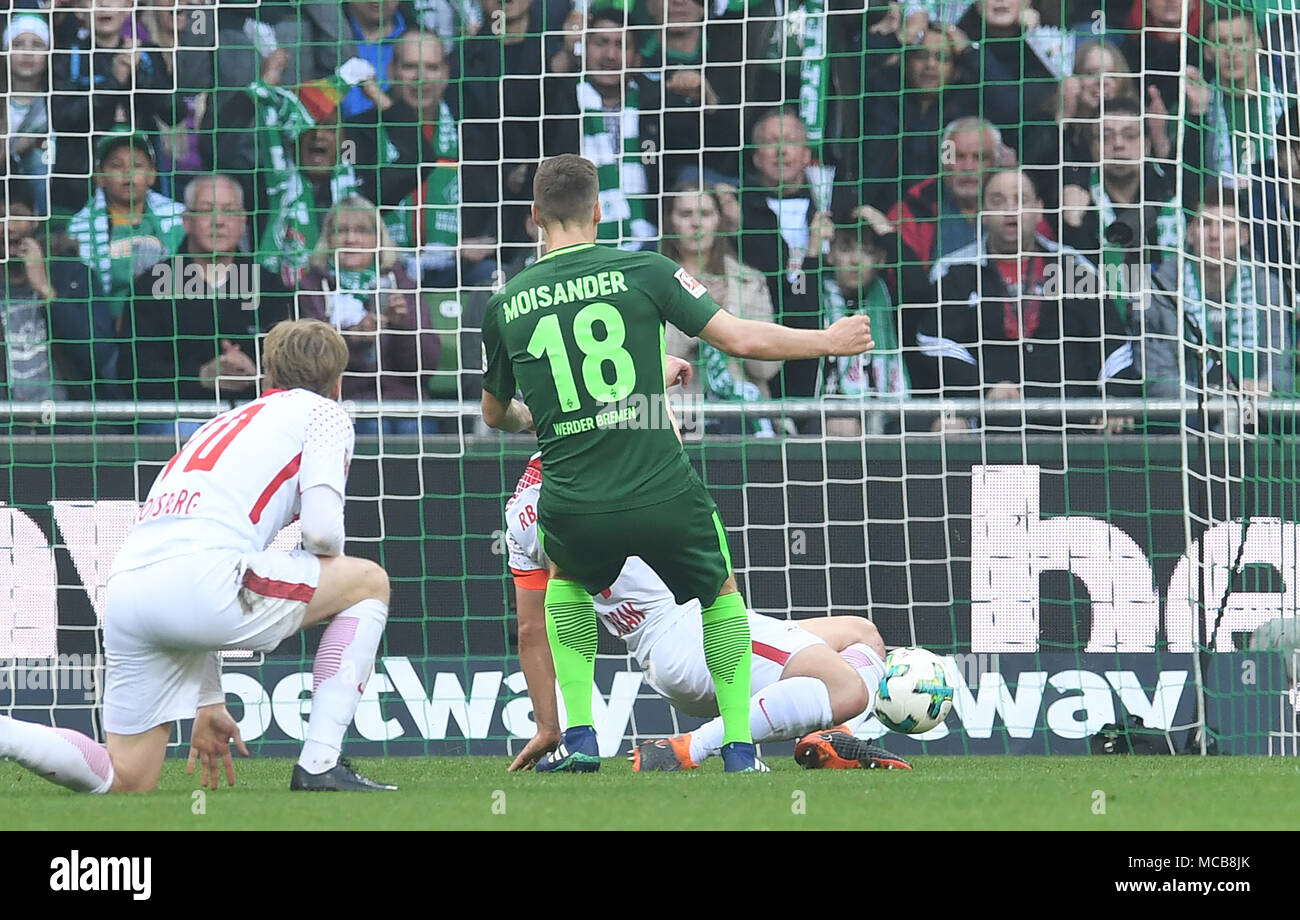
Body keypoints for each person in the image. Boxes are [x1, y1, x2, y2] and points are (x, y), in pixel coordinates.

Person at [479, 154, 874, 773]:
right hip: (663, 490)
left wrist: (538, 418)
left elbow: (494, 413)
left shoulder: (506, 305)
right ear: (599, 211)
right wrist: (828, 340)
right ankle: (739, 750)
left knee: (567, 587)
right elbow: (741, 340)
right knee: (720, 597)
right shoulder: (645, 269)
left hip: (576, 501)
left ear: (533, 217)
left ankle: (581, 741)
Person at [0, 319, 397, 793]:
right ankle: (319, 765)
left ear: (267, 377)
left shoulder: (220, 424)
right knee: (369, 582)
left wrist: (208, 699)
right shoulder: (325, 413)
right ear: (338, 383)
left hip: (128, 587)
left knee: (126, 777)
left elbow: (191, 567)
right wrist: (325, 574)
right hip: (203, 580)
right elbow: (322, 532)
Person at [502, 452, 910, 773]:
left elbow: (531, 631)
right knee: (849, 689)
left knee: (862, 635)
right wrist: (656, 381)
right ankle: (691, 747)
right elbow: (666, 449)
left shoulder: (520, 511)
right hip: (692, 631)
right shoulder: (613, 462)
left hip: (663, 652)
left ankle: (830, 737)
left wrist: (548, 727)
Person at [915, 167, 1141, 429]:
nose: (1010, 209)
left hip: (1072, 420)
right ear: (983, 213)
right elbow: (934, 341)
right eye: (998, 201)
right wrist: (985, 389)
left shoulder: (1072, 267)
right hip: (989, 416)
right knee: (947, 427)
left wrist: (1114, 396)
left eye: (1021, 200)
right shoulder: (955, 270)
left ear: (1038, 209)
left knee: (1116, 419)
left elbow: (1113, 342)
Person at [117, 174, 293, 437]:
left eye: (229, 211)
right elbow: (132, 371)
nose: (218, 221)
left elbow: (291, 372)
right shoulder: (151, 285)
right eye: (207, 210)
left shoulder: (268, 286)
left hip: (253, 413)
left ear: (244, 221)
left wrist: (257, 375)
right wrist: (200, 375)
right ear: (186, 221)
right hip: (178, 415)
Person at [294, 195, 440, 435]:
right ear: (328, 240)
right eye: (341, 231)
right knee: (372, 426)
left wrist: (402, 326)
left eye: (362, 230)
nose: (351, 239)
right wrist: (353, 338)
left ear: (378, 239)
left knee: (411, 427)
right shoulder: (312, 287)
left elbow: (427, 365)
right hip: (341, 403)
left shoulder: (402, 284)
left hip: (403, 403)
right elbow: (310, 364)